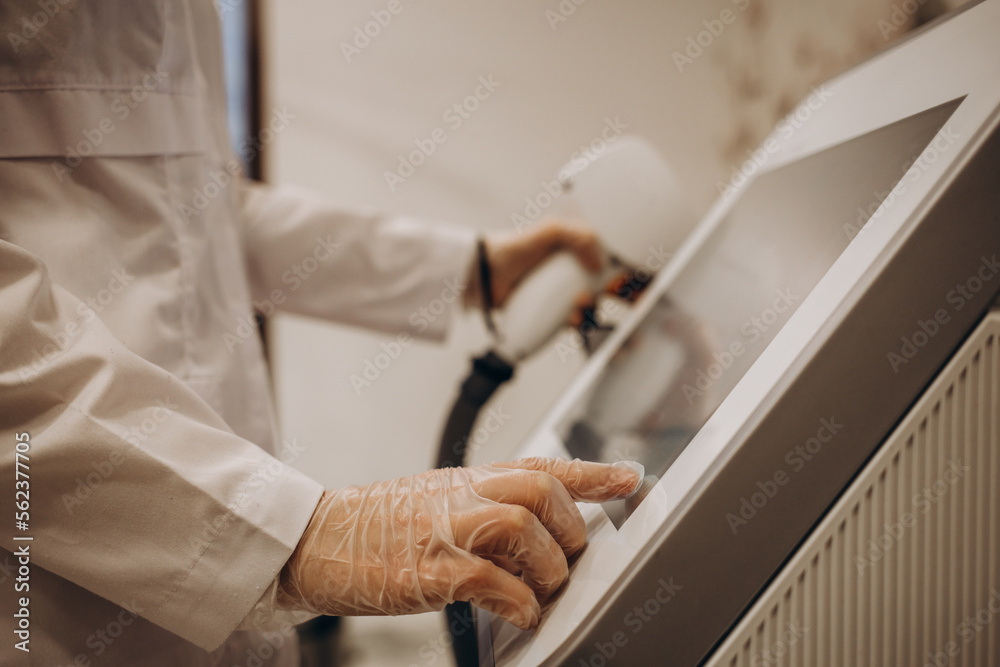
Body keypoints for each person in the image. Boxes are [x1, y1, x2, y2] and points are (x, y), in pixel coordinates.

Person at [0, 1, 642, 664]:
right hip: (52, 596)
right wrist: (298, 534)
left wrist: (468, 268)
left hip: (222, 557)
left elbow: (196, 207)